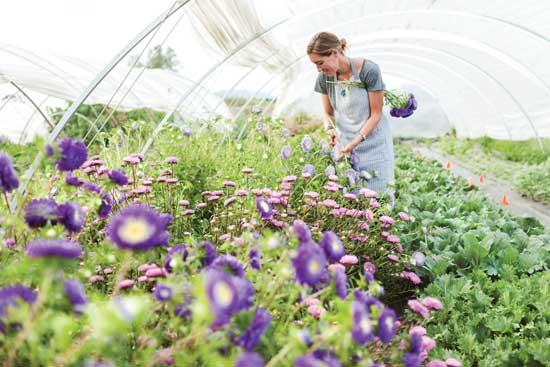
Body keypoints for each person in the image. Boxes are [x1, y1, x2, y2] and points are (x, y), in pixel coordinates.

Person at [307, 31, 395, 204]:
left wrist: (357, 140)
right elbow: (328, 113)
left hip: (374, 143)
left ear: (334, 53)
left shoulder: (369, 70)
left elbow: (376, 114)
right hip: (346, 145)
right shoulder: (324, 78)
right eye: (315, 65)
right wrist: (330, 128)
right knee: (351, 201)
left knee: (380, 199)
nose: (318, 69)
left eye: (320, 63)